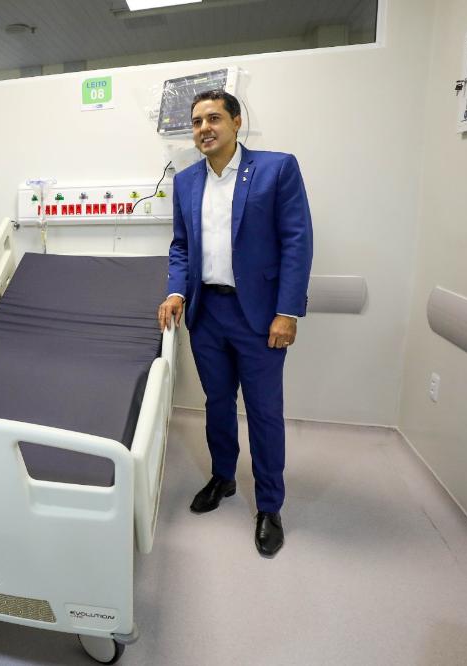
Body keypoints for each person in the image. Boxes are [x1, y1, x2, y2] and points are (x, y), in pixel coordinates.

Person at [157, 90, 312, 558]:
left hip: (259, 316)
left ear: (236, 122)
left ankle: (269, 505)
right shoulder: (187, 181)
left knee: (263, 411)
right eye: (197, 121)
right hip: (207, 313)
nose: (204, 128)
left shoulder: (276, 169)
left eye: (214, 118)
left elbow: (297, 241)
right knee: (217, 403)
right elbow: (181, 245)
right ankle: (223, 477)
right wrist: (176, 291)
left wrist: (287, 312)